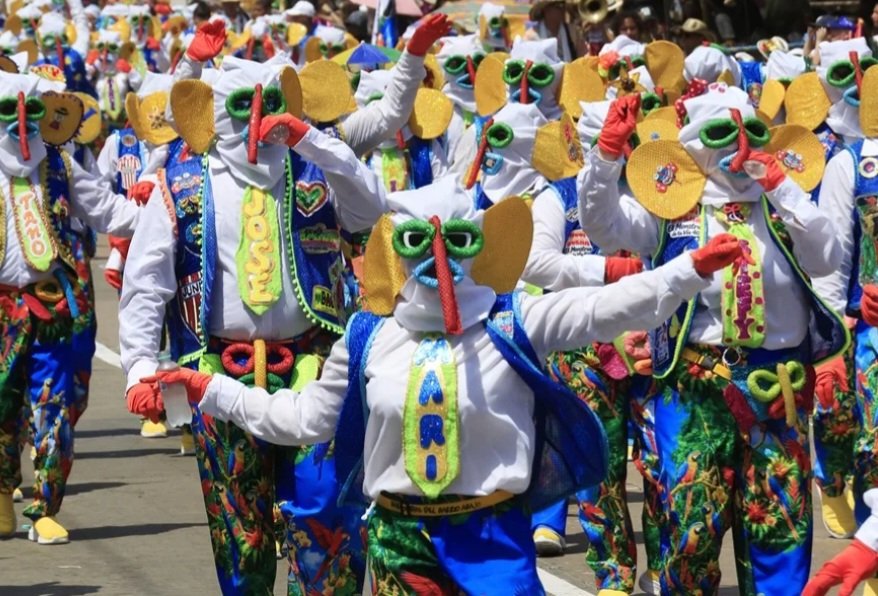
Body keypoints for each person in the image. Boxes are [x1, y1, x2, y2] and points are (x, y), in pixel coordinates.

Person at [151, 173, 742, 596]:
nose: (438, 257)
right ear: (397, 254)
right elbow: (302, 420)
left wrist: (688, 271)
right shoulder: (366, 338)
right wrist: (209, 390)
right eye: (418, 242)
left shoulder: (516, 323)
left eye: (456, 240)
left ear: (479, 243)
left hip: (493, 544)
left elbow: (605, 307)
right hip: (396, 544)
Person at [579, 86, 847, 594]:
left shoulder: (782, 204)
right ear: (696, 144)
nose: (741, 148)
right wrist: (606, 156)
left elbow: (827, 256)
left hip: (777, 387)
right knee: (690, 527)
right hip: (696, 387)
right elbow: (601, 222)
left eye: (752, 133)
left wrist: (781, 187)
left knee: (780, 521)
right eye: (725, 134)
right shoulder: (672, 213)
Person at [0, 67, 144, 545]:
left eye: (30, 113)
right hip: (2, 312)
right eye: (7, 113)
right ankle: (2, 492)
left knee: (54, 404)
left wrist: (165, 213)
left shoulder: (60, 165)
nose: (19, 127)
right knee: (3, 407)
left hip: (55, 306)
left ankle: (43, 505)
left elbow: (107, 210)